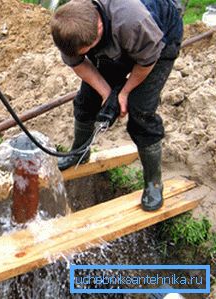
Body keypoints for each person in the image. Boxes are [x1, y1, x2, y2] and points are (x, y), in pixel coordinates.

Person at [51, 0, 183, 211]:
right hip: (117, 38)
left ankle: (153, 183)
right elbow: (79, 63)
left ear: (99, 29)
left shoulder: (133, 21)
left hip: (159, 38)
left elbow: (146, 61)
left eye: (87, 49)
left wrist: (124, 93)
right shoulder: (68, 28)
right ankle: (80, 152)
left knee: (141, 112)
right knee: (86, 101)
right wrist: (106, 93)